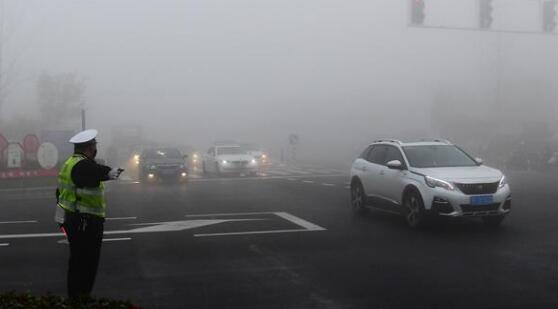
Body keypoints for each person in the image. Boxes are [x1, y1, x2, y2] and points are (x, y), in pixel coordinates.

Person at [54, 129, 123, 299]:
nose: (95, 149)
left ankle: (76, 298)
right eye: (94, 146)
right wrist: (109, 172)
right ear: (89, 148)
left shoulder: (69, 163)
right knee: (87, 265)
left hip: (73, 220)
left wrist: (61, 221)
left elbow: (60, 193)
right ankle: (81, 299)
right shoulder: (82, 165)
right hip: (85, 223)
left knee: (77, 263)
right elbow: (94, 170)